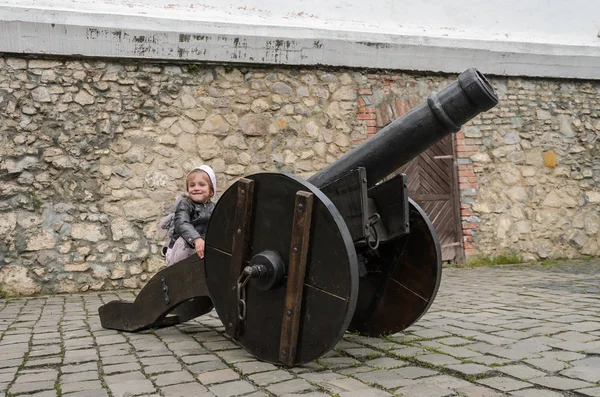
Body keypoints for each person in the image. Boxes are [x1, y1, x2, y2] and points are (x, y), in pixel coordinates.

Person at [164, 165, 216, 266]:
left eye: (201, 185)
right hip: (181, 250)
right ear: (188, 190)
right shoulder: (185, 204)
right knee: (184, 240)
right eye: (192, 185)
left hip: (201, 248)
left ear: (211, 191)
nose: (196, 188)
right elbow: (182, 223)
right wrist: (196, 239)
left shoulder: (213, 207)